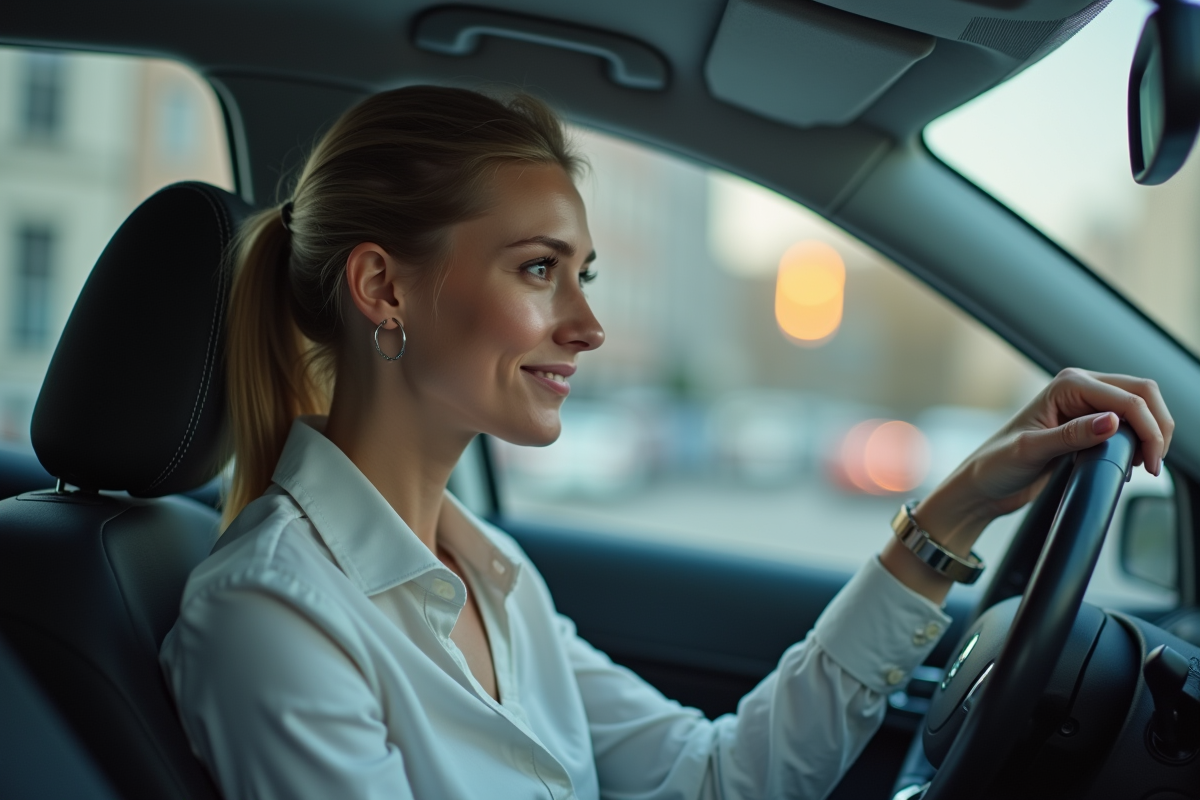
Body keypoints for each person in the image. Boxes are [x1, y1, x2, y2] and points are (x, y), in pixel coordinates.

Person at [159, 86, 1173, 800]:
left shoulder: (489, 569)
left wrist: (952, 509)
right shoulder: (270, 614)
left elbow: (715, 778)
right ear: (384, 289)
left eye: (584, 274)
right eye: (538, 268)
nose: (587, 326)